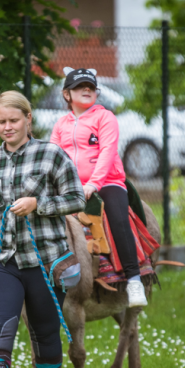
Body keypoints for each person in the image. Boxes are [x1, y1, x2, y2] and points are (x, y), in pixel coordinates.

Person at [0, 90, 86, 368]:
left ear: (28, 120)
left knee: (45, 333)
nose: (7, 127)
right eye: (1, 121)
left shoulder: (51, 155)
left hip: (46, 261)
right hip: (0, 259)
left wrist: (40, 205)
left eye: (13, 120)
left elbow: (77, 198)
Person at [49, 67, 148, 307]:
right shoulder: (61, 124)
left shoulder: (105, 117)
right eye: (79, 87)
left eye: (91, 87)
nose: (86, 90)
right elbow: (51, 156)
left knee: (117, 216)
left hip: (107, 181)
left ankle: (133, 280)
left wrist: (94, 183)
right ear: (66, 95)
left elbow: (107, 152)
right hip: (71, 186)